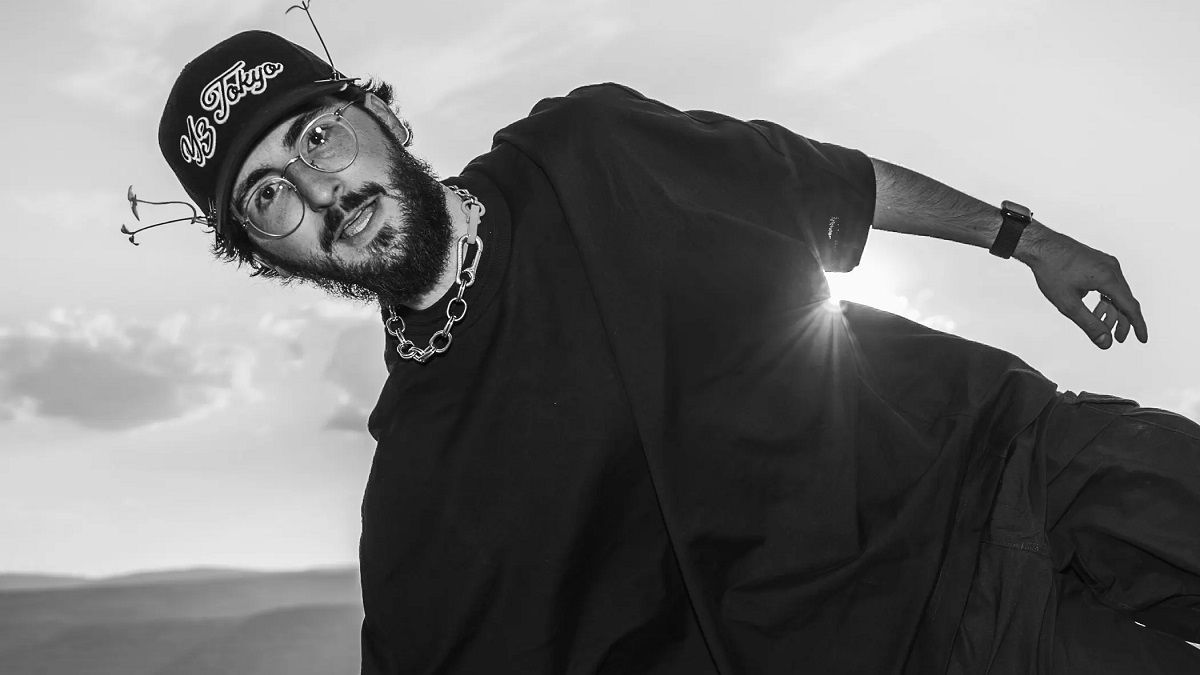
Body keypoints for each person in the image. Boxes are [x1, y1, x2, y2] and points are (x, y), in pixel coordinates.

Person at [138, 28, 1200, 674]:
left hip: (1026, 458)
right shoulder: (421, 507)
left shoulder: (585, 150)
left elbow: (818, 179)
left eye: (316, 136)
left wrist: (1023, 239)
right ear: (267, 256)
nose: (320, 191)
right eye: (268, 198)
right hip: (945, 646)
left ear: (381, 114)